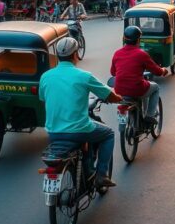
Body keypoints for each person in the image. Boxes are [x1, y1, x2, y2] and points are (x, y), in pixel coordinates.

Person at [40, 37, 121, 187]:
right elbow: (108, 94)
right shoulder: (84, 76)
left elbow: (43, 98)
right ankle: (101, 175)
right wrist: (118, 98)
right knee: (109, 134)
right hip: (79, 130)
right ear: (75, 54)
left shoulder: (45, 76)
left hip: (52, 131)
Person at [111, 26, 168, 125]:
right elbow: (157, 71)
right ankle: (150, 115)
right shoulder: (141, 54)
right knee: (156, 87)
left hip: (119, 91)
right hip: (137, 89)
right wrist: (163, 70)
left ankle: (123, 124)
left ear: (124, 39)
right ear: (138, 40)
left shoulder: (117, 53)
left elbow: (113, 73)